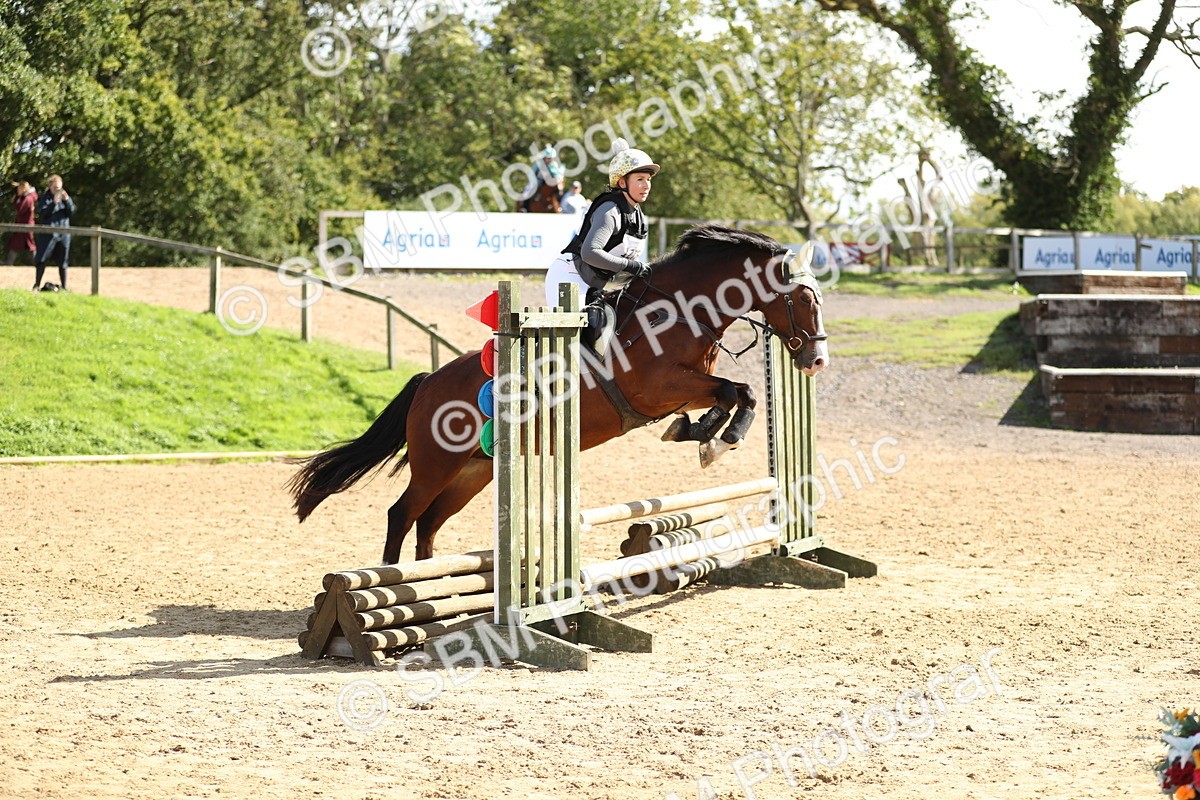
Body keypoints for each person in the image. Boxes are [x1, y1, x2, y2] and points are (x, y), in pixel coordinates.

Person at [544, 138, 657, 313]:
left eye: (648, 179)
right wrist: (631, 266)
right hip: (570, 276)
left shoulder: (638, 216)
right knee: (577, 334)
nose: (647, 185)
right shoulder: (610, 211)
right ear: (622, 183)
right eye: (640, 179)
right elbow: (590, 253)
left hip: (595, 284)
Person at [33, 174, 75, 291]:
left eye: (59, 188)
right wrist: (53, 203)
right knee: (41, 260)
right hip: (48, 234)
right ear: (50, 187)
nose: (58, 190)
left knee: (63, 262)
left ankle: (64, 287)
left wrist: (67, 200)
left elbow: (71, 212)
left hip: (63, 234)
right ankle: (36, 284)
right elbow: (43, 214)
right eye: (55, 188)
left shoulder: (65, 198)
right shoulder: (45, 198)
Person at [519, 145, 565, 212]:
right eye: (548, 158)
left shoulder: (554, 165)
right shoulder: (539, 164)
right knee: (528, 190)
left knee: (560, 191)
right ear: (544, 158)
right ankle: (524, 207)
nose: (549, 160)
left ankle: (561, 207)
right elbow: (531, 173)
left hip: (549, 183)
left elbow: (558, 175)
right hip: (538, 181)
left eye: (550, 158)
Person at [4, 178, 38, 267]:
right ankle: (9, 262)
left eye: (19, 189)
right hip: (21, 224)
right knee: (15, 243)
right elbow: (15, 205)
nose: (17, 191)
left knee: (30, 245)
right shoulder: (24, 197)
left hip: (27, 225)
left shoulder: (28, 199)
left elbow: (20, 210)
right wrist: (18, 198)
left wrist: (19, 199)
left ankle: (36, 263)